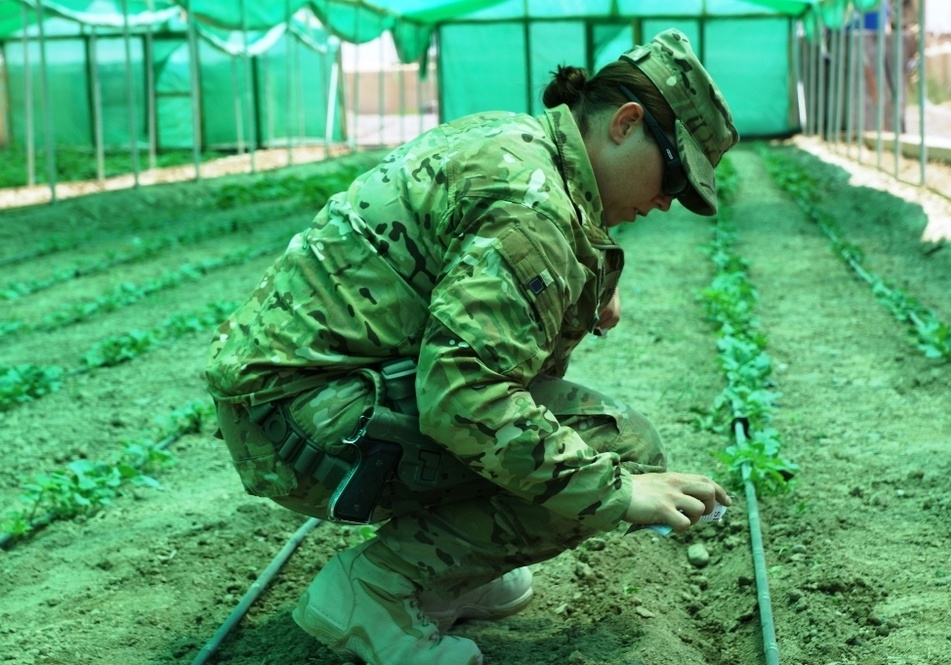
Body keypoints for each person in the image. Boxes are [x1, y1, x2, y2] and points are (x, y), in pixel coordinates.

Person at [206, 28, 738, 665]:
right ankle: (379, 587)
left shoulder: (522, 143)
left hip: (303, 395)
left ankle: (445, 574)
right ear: (625, 124)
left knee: (578, 442)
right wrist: (620, 493)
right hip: (303, 423)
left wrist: (585, 284)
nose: (665, 202)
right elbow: (467, 395)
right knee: (620, 452)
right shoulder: (532, 207)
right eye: (674, 176)